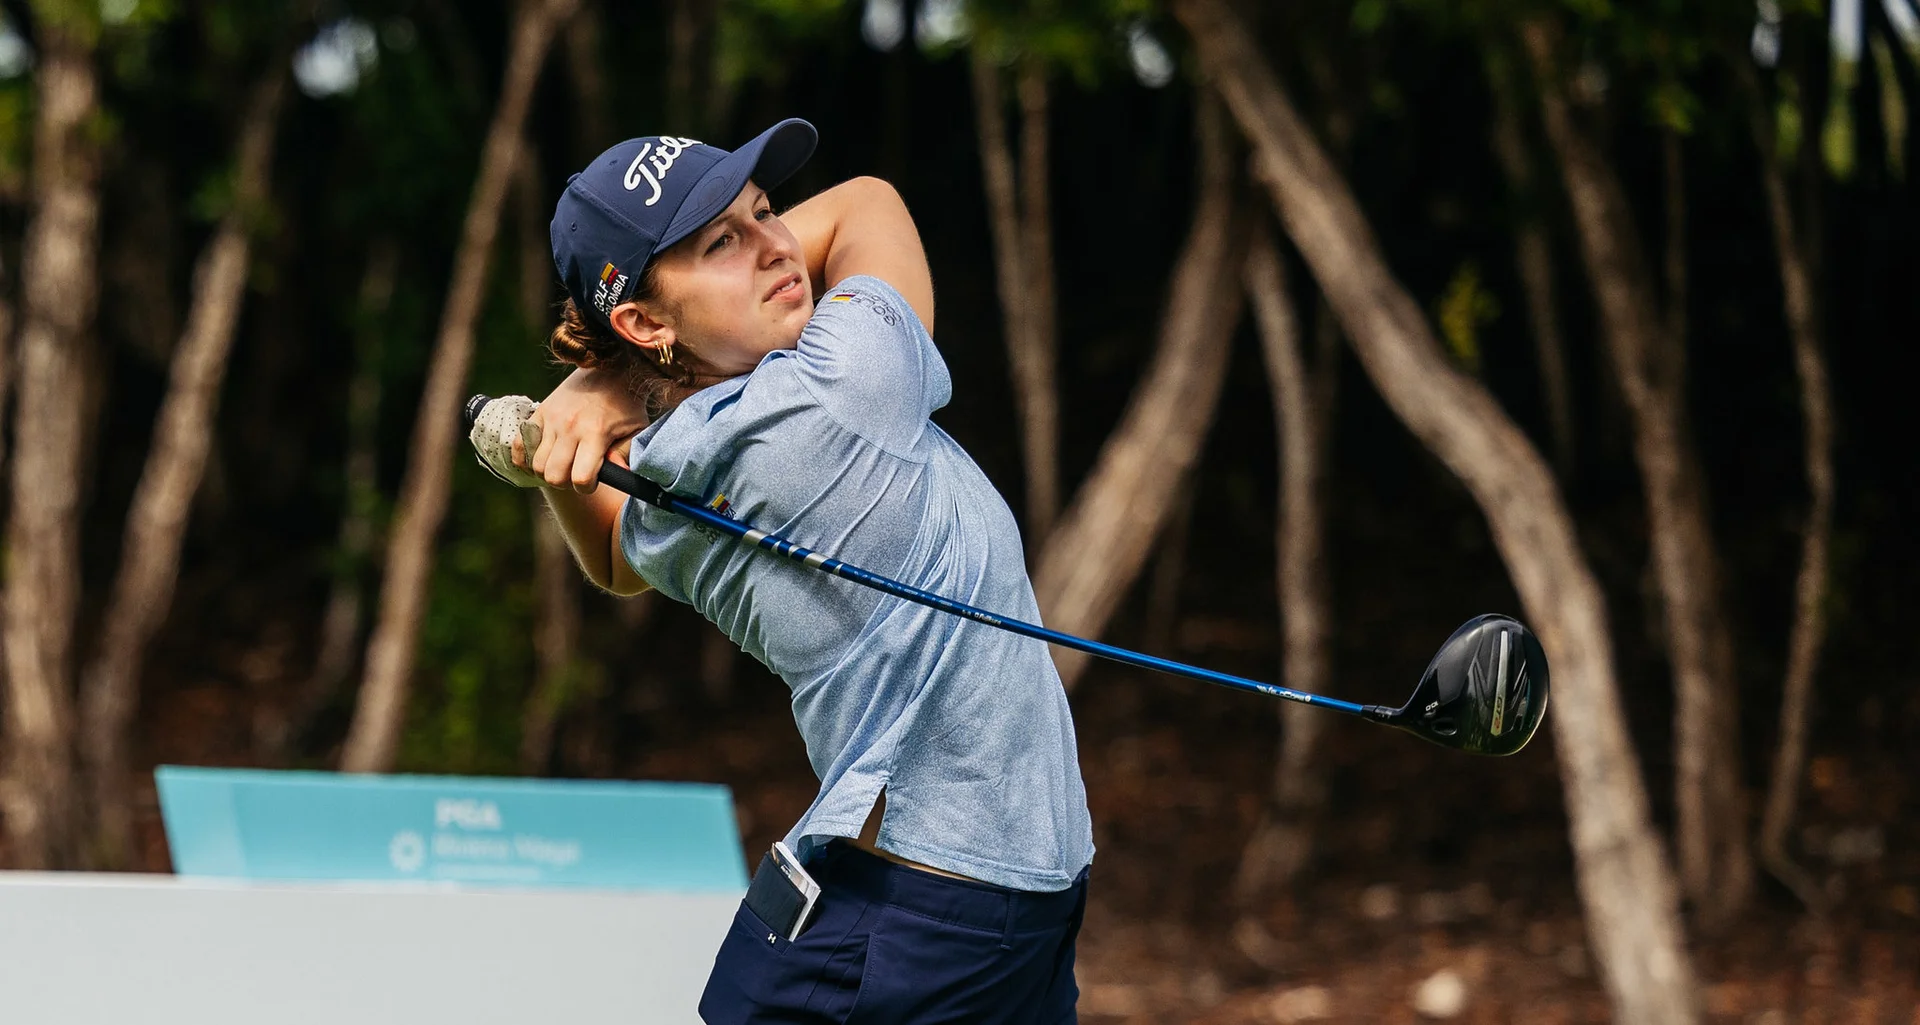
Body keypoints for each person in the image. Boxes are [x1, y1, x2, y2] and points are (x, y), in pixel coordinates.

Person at [468, 118, 1094, 1023]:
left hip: (950, 901)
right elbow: (867, 204)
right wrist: (608, 396)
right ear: (641, 320)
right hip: (930, 927)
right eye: (723, 242)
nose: (774, 247)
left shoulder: (673, 461)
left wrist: (587, 419)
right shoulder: (838, 390)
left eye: (763, 211)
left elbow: (611, 557)